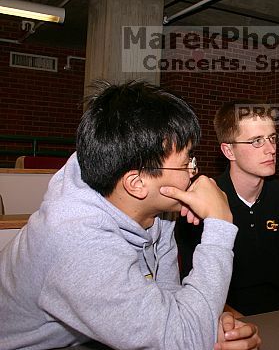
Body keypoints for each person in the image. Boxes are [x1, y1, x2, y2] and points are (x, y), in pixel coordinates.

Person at [0, 81, 261, 350]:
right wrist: (219, 225)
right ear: (136, 184)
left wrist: (203, 324)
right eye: (187, 163)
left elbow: (168, 307)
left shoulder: (153, 207)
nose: (194, 172)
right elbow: (182, 341)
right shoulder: (77, 241)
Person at [179, 102, 279, 317]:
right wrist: (247, 329)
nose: (271, 149)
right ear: (229, 150)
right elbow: (194, 293)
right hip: (221, 321)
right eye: (257, 141)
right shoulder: (202, 204)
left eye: (272, 138)